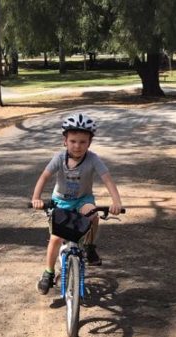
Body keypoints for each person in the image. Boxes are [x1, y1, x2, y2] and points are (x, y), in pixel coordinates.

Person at [30, 112, 123, 294]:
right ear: (65, 140)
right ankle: (48, 273)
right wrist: (36, 198)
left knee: (93, 214)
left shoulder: (93, 159)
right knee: (56, 238)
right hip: (61, 201)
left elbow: (108, 179)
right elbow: (44, 177)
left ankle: (89, 246)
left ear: (89, 143)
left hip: (83, 200)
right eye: (73, 141)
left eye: (83, 142)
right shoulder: (59, 158)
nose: (77, 146)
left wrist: (116, 202)